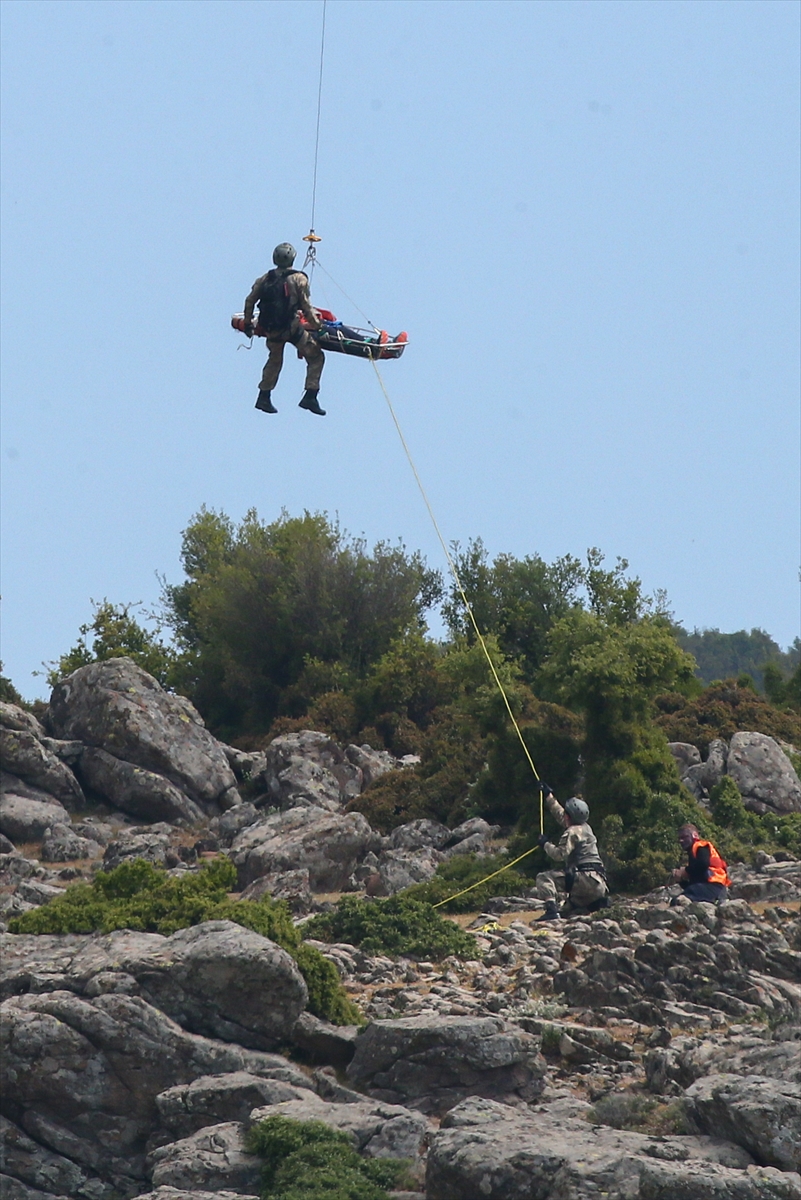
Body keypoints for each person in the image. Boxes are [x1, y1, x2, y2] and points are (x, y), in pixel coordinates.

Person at [243, 243, 326, 416]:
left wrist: (248, 323)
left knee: (274, 362)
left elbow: (250, 301)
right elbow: (306, 306)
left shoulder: (264, 279)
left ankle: (263, 397)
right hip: (292, 328)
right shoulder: (298, 279)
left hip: (271, 329)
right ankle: (310, 395)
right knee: (316, 356)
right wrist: (318, 326)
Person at [534, 785, 609, 920]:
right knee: (568, 912)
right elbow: (562, 816)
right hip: (599, 884)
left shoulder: (571, 832)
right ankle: (595, 905)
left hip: (583, 879)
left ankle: (551, 910)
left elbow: (559, 855)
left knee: (543, 877)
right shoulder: (586, 828)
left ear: (569, 816)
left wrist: (545, 844)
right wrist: (549, 797)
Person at [671, 824, 731, 904]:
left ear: (694, 835)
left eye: (685, 837)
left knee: (680, 899)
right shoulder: (693, 854)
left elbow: (703, 864)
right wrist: (680, 879)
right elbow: (693, 883)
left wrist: (685, 871)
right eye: (680, 838)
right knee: (678, 899)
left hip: (715, 887)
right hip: (708, 888)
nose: (681, 841)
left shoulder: (701, 846)